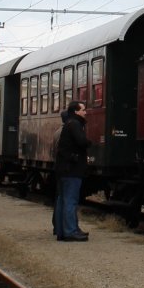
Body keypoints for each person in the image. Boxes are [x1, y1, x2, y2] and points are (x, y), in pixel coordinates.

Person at [54, 101, 91, 241]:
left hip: (63, 169)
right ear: (76, 111)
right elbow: (81, 141)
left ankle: (61, 231)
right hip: (72, 170)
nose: (85, 112)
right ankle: (70, 231)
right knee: (70, 200)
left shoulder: (67, 124)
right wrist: (89, 143)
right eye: (83, 109)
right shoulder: (75, 124)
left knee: (62, 200)